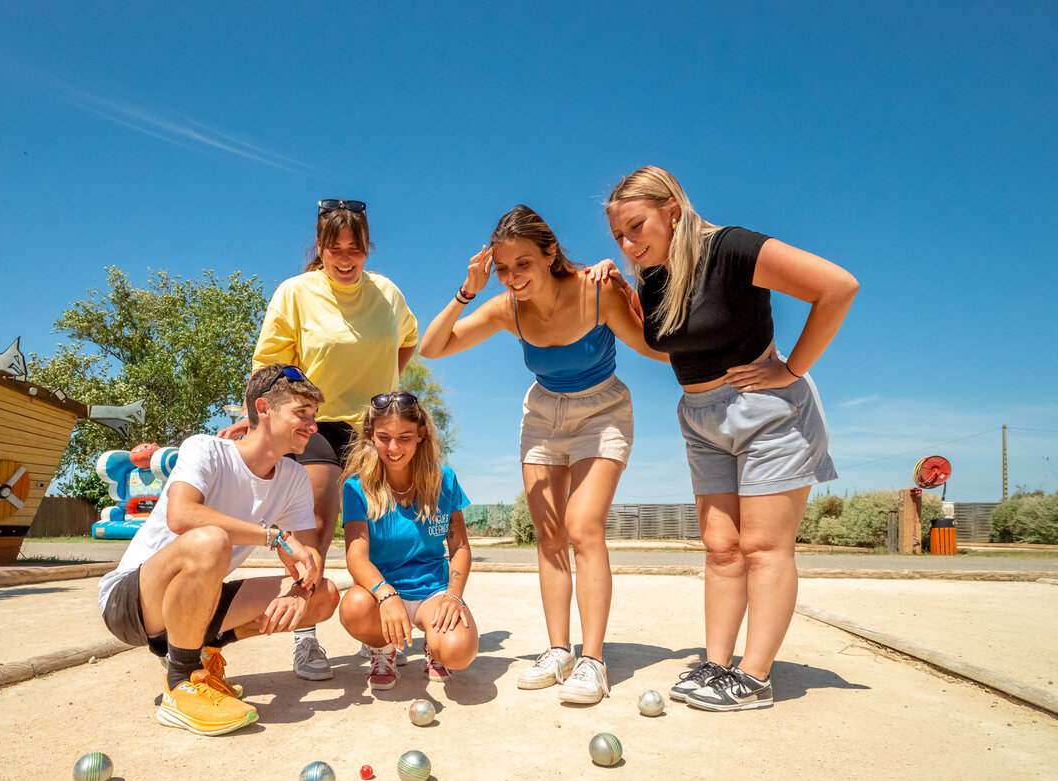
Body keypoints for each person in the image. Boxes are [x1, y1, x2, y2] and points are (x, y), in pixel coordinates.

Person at [600, 166, 857, 711]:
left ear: (672, 209)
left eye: (636, 227)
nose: (628, 243)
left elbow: (837, 286)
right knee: (721, 549)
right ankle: (717, 665)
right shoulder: (652, 274)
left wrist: (791, 369)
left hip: (767, 413)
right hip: (699, 417)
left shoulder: (733, 248)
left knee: (764, 548)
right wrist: (624, 293)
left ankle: (755, 676)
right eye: (618, 235)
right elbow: (670, 343)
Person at [419, 205, 664, 705]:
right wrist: (469, 290)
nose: (512, 278)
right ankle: (559, 650)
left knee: (583, 526)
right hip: (542, 417)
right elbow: (432, 346)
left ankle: (593, 661)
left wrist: (632, 289)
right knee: (548, 535)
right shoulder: (507, 308)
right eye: (503, 269)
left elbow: (654, 345)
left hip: (603, 410)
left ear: (550, 253)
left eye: (523, 264)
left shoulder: (596, 292)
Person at [219, 199, 419, 680]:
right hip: (315, 421)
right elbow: (268, 366)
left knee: (378, 530)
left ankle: (380, 637)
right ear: (321, 248)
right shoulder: (295, 292)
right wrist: (257, 418)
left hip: (374, 422)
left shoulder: (388, 292)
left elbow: (407, 340)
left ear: (368, 247)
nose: (346, 257)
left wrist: (387, 386)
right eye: (336, 248)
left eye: (356, 247)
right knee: (316, 523)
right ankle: (305, 636)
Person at [97, 364, 341, 735]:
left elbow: (309, 557)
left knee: (323, 596)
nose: (313, 425)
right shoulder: (206, 450)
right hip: (131, 602)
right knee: (211, 541)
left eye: (314, 416)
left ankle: (201, 655)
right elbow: (182, 516)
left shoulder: (292, 478)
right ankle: (180, 683)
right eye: (301, 413)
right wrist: (273, 536)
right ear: (264, 409)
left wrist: (300, 590)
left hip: (193, 603)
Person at [337, 391, 478, 690]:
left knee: (458, 653)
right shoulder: (356, 487)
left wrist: (453, 595)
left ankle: (433, 645)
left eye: (404, 436)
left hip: (433, 591)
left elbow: (460, 547)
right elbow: (356, 556)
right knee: (353, 606)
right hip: (382, 595)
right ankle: (383, 650)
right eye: (384, 437)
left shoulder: (444, 479)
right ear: (370, 437)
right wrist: (386, 594)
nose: (394, 447)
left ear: (421, 435)